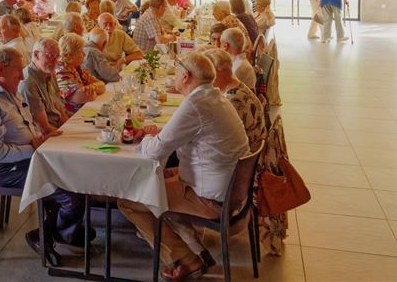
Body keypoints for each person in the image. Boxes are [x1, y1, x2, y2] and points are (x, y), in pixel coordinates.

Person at [118, 52, 248, 281]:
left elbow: (155, 151)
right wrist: (157, 133)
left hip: (211, 198)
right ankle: (196, 249)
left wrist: (144, 139)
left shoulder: (196, 104)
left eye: (177, 72)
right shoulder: (213, 96)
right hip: (229, 186)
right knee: (158, 180)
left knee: (130, 198)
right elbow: (186, 132)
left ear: (185, 76)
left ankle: (186, 258)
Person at [0, 48, 87, 266]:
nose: (22, 76)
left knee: (78, 174)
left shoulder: (9, 90)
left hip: (26, 158)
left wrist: (42, 137)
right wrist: (34, 148)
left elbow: (26, 126)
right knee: (71, 194)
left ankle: (61, 230)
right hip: (1, 169)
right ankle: (47, 234)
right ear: (0, 69)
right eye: (18, 71)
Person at [204, 48, 267, 152]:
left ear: (219, 71)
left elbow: (219, 139)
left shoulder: (232, 100)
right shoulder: (239, 87)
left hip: (241, 161)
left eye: (208, 74)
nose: (207, 79)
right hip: (247, 152)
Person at [19, 38, 69, 135]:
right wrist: (68, 136)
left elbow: (59, 108)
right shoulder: (28, 82)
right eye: (51, 56)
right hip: (47, 136)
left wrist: (70, 127)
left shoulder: (49, 72)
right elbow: (43, 127)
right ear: (36, 55)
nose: (55, 62)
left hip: (58, 127)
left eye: (57, 57)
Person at [55, 33, 105, 112]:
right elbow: (82, 97)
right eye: (81, 52)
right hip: (69, 118)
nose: (84, 55)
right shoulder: (60, 72)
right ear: (70, 55)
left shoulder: (75, 67)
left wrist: (92, 87)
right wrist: (93, 91)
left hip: (84, 111)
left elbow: (102, 86)